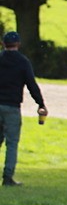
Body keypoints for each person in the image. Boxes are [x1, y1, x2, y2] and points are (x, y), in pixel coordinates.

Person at [0, 31, 48, 187]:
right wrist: (41, 104)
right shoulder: (23, 62)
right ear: (18, 44)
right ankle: (7, 178)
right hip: (12, 107)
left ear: (3, 44)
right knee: (12, 143)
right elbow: (31, 85)